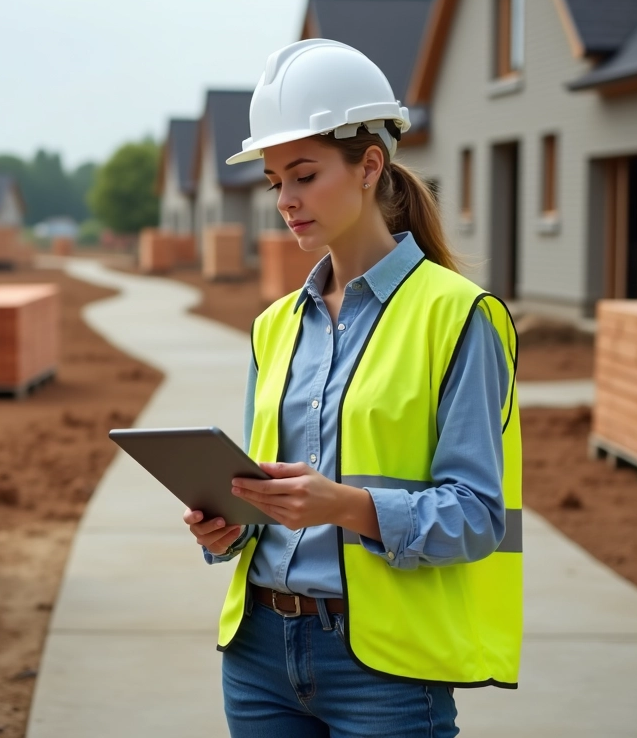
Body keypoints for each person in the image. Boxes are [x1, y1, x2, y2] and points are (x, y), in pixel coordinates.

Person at [182, 39, 522, 738]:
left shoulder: (457, 315)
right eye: (275, 181)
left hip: (383, 672)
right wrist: (227, 525)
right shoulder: (275, 325)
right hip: (257, 660)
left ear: (370, 166)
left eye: (303, 175)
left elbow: (479, 516)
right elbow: (266, 493)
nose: (285, 200)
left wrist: (344, 506)